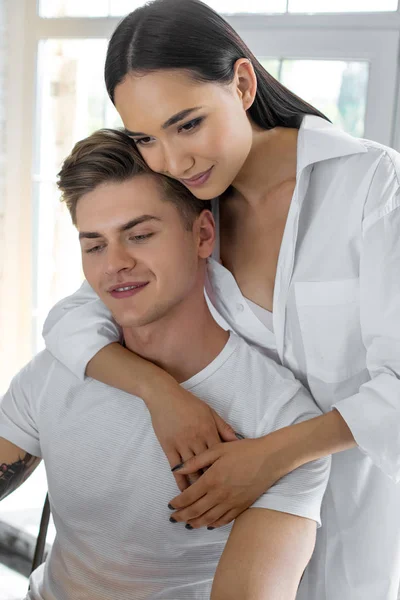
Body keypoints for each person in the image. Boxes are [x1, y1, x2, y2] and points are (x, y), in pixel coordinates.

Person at [42, 1, 400, 598]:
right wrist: (162, 396)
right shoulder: (185, 210)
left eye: (188, 124)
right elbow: (75, 319)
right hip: (222, 540)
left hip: (351, 529)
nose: (173, 160)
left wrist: (271, 458)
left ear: (241, 82)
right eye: (145, 138)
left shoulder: (372, 186)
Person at [0, 129, 331, 600]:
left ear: (201, 234)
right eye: (94, 245)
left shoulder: (281, 422)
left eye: (139, 235)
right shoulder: (58, 370)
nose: (114, 264)